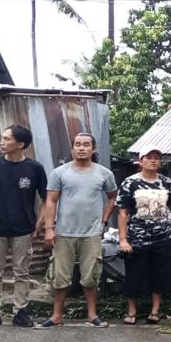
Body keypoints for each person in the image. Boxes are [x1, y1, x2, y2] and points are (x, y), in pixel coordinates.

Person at [37, 133, 117, 329]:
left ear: (93, 149)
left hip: (91, 233)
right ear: (72, 149)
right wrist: (49, 229)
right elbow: (51, 201)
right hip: (63, 233)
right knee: (60, 276)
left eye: (86, 145)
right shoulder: (59, 173)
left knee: (90, 276)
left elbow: (112, 198)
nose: (82, 148)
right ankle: (56, 316)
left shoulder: (104, 173)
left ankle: (92, 315)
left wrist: (104, 221)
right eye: (78, 145)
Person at [0, 125, 47, 330]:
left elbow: (46, 198)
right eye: (3, 138)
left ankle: (20, 312)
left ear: (20, 144)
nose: (2, 142)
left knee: (22, 273)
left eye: (7, 139)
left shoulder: (35, 168)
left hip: (23, 228)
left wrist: (40, 221)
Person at [116, 147, 171, 324]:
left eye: (157, 158)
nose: (153, 160)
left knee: (161, 273)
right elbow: (122, 212)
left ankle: (155, 310)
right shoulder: (130, 182)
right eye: (149, 157)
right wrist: (123, 239)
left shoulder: (166, 182)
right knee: (135, 273)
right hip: (137, 237)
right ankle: (132, 311)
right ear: (140, 160)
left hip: (163, 237)